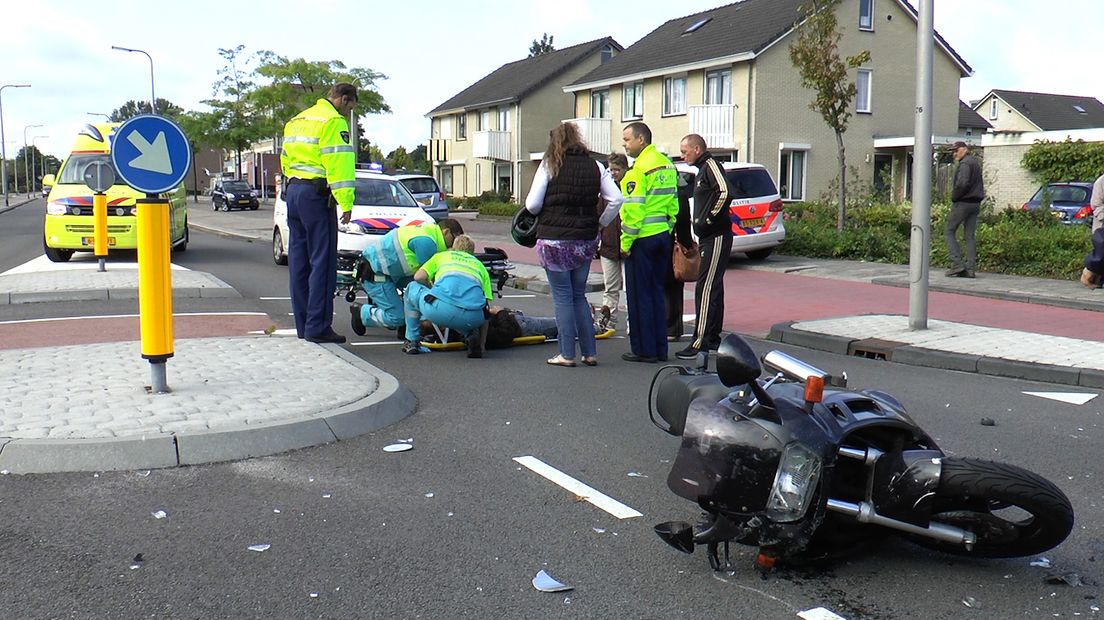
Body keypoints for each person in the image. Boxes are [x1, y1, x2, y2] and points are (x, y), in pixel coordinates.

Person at [524, 122, 623, 368]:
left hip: (554, 240)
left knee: (563, 298)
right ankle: (590, 352)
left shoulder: (549, 164)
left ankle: (566, 354)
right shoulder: (596, 166)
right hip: (585, 240)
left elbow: (532, 205)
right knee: (578, 295)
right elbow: (616, 199)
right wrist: (600, 223)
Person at [280, 83, 359, 344]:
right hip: (317, 195)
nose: (349, 114)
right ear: (344, 100)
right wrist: (346, 202)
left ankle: (303, 325)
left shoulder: (296, 121)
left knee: (299, 263)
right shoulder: (333, 122)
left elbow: (285, 160)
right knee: (322, 263)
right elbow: (340, 165)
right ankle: (318, 326)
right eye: (351, 108)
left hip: (294, 191)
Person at [620, 122, 678, 363]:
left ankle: (644, 350)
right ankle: (660, 348)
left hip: (641, 240)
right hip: (662, 236)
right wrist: (668, 229)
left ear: (641, 140)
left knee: (639, 295)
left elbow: (633, 212)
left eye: (627, 139)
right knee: (656, 293)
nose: (624, 144)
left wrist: (625, 244)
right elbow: (674, 203)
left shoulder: (637, 171)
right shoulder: (667, 165)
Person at [349, 219, 464, 337]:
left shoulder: (428, 233)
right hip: (375, 275)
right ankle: (362, 313)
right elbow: (430, 279)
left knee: (416, 288)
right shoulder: (427, 242)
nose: (454, 244)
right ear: (446, 232)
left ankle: (408, 322)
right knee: (397, 317)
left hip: (389, 273)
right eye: (455, 238)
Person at [676, 134, 734, 360]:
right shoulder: (702, 169)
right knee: (713, 287)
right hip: (708, 237)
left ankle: (699, 341)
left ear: (697, 149)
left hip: (716, 235)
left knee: (706, 287)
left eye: (685, 150)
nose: (682, 154)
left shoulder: (711, 165)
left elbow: (725, 192)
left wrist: (709, 219)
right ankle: (712, 338)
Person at [402, 235, 492, 358]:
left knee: (412, 287)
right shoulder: (480, 266)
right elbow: (486, 307)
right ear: (472, 252)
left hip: (439, 309)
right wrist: (483, 346)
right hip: (473, 318)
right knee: (467, 310)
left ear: (453, 248)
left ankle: (412, 341)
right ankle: (470, 336)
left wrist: (430, 286)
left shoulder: (442, 256)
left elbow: (419, 277)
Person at [596, 153, 629, 333]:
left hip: (627, 245)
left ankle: (633, 324)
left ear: (625, 169)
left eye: (617, 169)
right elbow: (599, 213)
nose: (614, 173)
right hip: (608, 246)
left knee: (630, 288)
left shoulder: (630, 186)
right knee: (610, 287)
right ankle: (609, 323)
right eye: (611, 170)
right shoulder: (605, 190)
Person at [945, 141, 985, 279]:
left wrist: (954, 196)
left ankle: (957, 264)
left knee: (949, 231)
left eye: (956, 150)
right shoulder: (974, 163)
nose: (954, 153)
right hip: (975, 204)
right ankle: (970, 269)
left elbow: (962, 183)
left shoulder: (965, 164)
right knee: (969, 236)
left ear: (965, 149)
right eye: (953, 151)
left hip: (963, 203)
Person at [665, 171, 694, 343]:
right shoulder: (680, 193)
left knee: (668, 285)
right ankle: (673, 328)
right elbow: (684, 222)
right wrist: (687, 246)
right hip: (674, 244)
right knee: (674, 286)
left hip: (665, 243)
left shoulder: (667, 192)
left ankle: (668, 327)